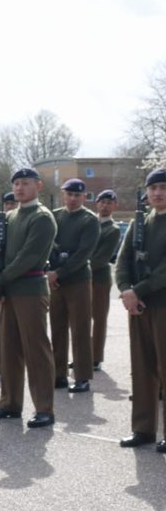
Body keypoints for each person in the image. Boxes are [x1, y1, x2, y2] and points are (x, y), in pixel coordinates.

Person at [0, 167, 58, 428]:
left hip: (30, 289)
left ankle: (44, 408)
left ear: (38, 186)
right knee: (10, 349)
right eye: (16, 184)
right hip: (9, 291)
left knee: (35, 350)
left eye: (25, 183)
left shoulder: (42, 217)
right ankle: (10, 403)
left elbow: (29, 257)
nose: (19, 188)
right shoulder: (10, 216)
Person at [117, 168, 166, 452]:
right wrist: (126, 291)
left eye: (163, 187)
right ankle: (143, 428)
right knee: (142, 367)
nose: (158, 193)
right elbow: (122, 262)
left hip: (160, 302)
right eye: (153, 188)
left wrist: (138, 290)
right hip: (139, 306)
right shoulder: (139, 222)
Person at [48, 179, 99, 393]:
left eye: (77, 195)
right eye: (69, 194)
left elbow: (83, 254)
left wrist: (58, 272)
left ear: (84, 197)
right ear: (63, 194)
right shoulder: (55, 216)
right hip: (55, 280)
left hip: (77, 280)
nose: (72, 198)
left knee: (80, 328)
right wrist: (50, 270)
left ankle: (82, 376)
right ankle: (58, 374)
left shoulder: (89, 220)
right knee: (57, 328)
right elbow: (48, 243)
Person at [90, 189, 121, 372]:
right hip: (80, 279)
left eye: (109, 202)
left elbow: (101, 258)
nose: (105, 205)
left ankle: (95, 357)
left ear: (115, 206)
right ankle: (83, 355)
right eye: (102, 201)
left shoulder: (113, 229)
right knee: (81, 319)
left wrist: (77, 266)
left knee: (99, 318)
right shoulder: (88, 223)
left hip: (99, 279)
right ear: (97, 203)